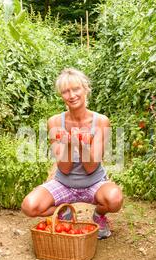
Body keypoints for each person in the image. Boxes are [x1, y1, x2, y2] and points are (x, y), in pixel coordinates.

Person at [21, 68, 123, 239]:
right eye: (66, 91)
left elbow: (91, 167)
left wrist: (79, 143)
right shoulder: (54, 122)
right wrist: (69, 143)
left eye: (76, 89)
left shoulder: (101, 121)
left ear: (85, 89)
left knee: (114, 200)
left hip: (94, 182)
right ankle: (66, 210)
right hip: (64, 183)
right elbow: (65, 168)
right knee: (29, 206)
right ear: (61, 96)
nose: (72, 95)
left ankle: (99, 215)